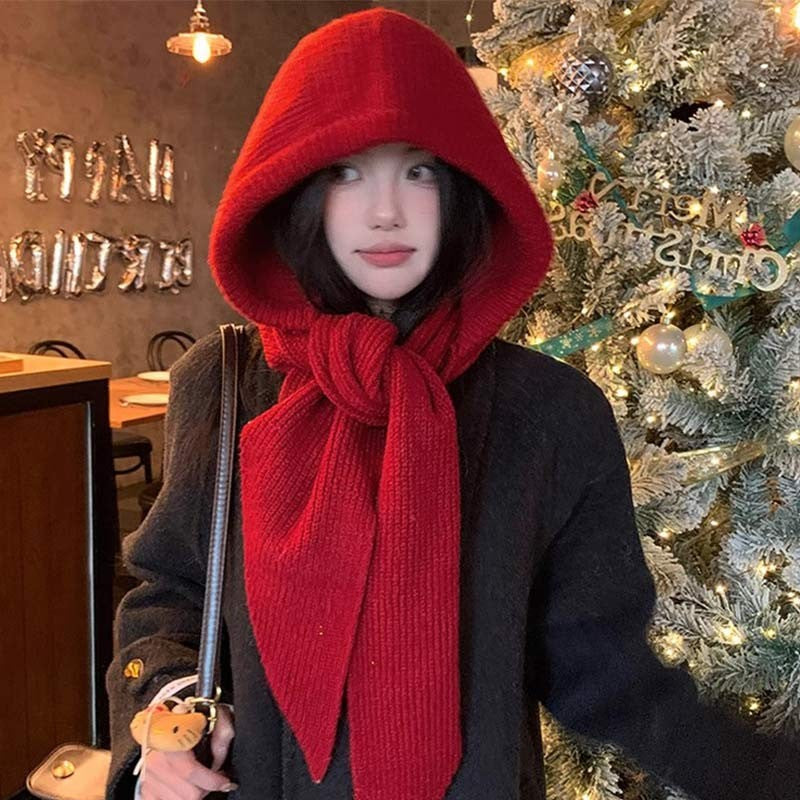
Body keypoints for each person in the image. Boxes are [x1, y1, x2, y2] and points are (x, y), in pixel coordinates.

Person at [104, 7, 800, 800]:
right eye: (345, 172)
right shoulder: (225, 383)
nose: (386, 211)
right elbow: (168, 593)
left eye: (420, 171)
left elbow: (601, 669)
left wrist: (768, 772)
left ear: (466, 186)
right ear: (296, 189)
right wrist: (162, 719)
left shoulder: (551, 413)